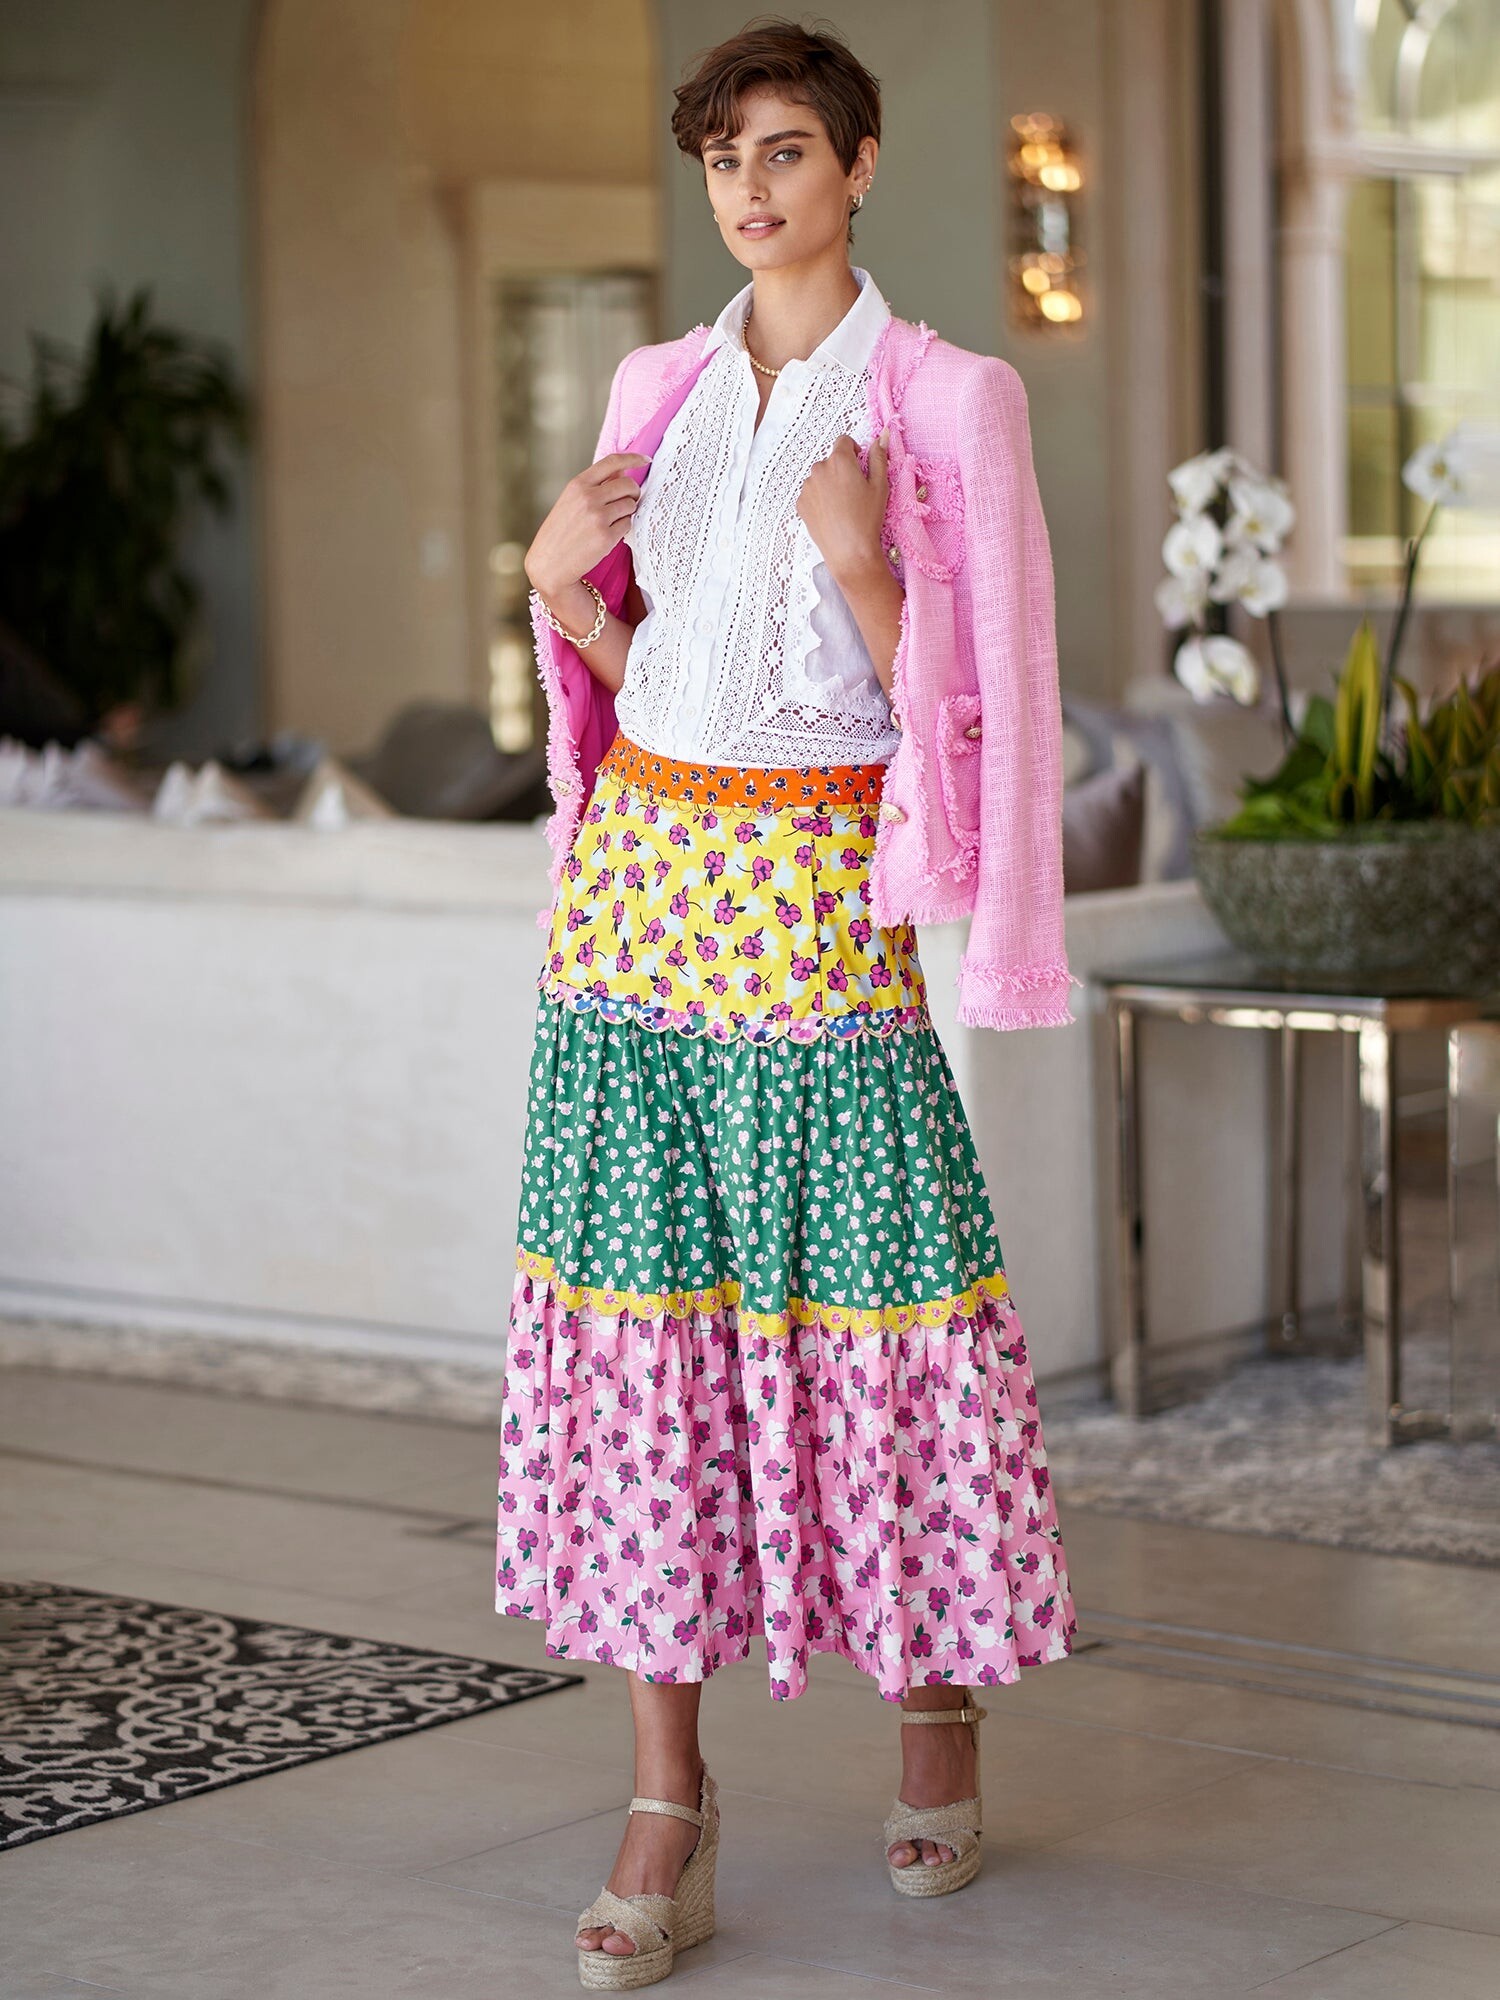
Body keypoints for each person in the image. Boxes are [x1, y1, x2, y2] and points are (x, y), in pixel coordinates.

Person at [494, 18, 1079, 1989]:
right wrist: (558, 588)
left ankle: (937, 1707)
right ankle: (668, 1800)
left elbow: (989, 717)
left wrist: (867, 566)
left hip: (818, 908)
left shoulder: (949, 398)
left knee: (876, 1316)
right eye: (724, 156)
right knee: (639, 1335)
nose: (748, 188)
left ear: (859, 165)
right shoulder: (655, 388)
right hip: (635, 912)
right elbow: (659, 674)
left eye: (786, 151)